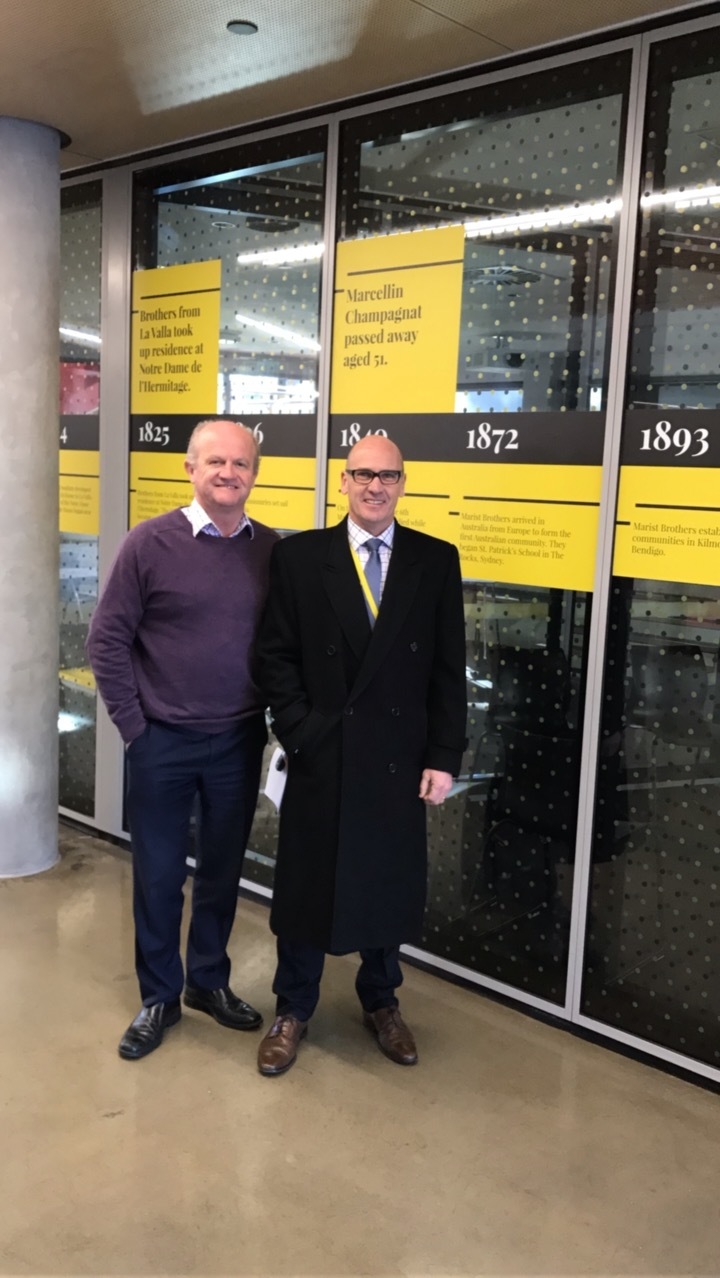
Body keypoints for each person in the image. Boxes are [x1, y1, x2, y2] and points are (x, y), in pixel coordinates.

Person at [255, 434, 467, 1075]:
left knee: (385, 882)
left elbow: (446, 669)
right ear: (342, 482)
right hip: (323, 753)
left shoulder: (434, 560)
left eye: (389, 476)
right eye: (363, 474)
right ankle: (292, 1007)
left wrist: (444, 754)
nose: (376, 486)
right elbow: (274, 657)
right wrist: (301, 731)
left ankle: (382, 1000)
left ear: (403, 484)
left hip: (398, 758)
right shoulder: (299, 558)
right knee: (304, 885)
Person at [87, 419, 278, 1061]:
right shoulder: (149, 544)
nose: (229, 473)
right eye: (216, 462)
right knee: (160, 876)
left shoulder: (270, 550)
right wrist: (135, 729)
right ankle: (159, 997)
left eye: (242, 464)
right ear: (190, 469)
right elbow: (106, 640)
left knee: (223, 873)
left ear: (255, 473)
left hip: (237, 740)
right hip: (161, 741)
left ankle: (208, 983)